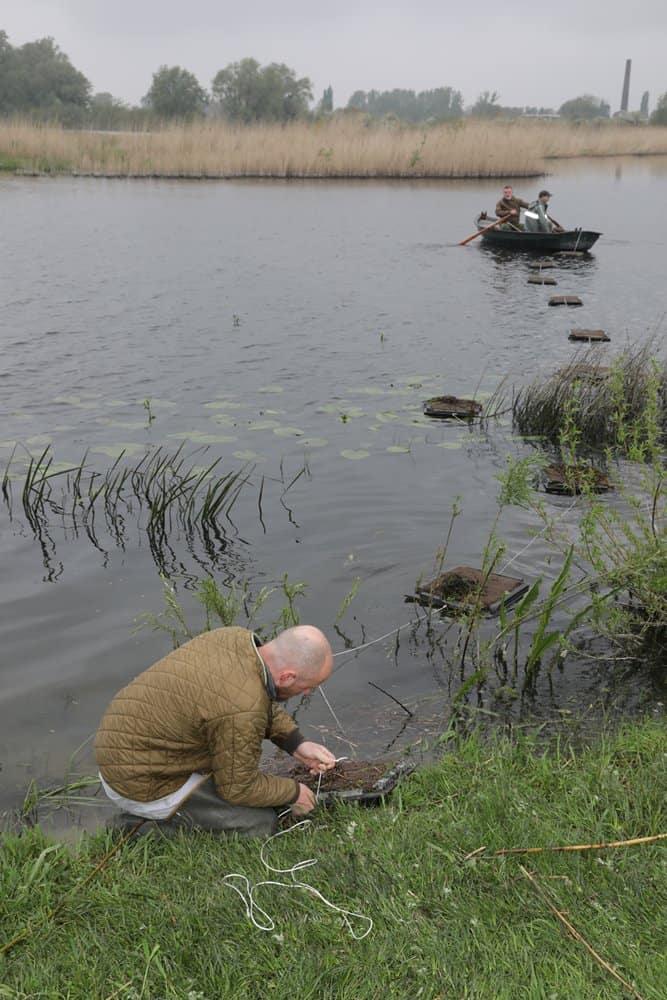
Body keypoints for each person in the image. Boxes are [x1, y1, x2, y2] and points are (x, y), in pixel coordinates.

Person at [94, 624, 336, 838]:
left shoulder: (235, 638)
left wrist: (296, 744)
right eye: (308, 686)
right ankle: (137, 826)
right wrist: (295, 793)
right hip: (141, 784)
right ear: (287, 676)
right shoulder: (242, 708)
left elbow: (246, 700)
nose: (307, 693)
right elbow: (238, 787)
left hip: (124, 749)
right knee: (259, 824)